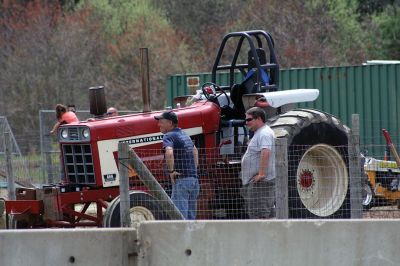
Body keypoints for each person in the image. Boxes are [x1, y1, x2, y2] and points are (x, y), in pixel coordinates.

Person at [155, 111, 199, 220]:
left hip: (181, 181)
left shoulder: (168, 135)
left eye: (161, 121)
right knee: (190, 218)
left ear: (170, 123)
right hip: (194, 180)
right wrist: (193, 170)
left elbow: (169, 152)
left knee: (179, 218)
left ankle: (180, 237)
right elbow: (195, 151)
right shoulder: (184, 134)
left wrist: (171, 171)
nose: (158, 124)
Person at [241, 107, 275, 219]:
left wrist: (261, 174)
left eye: (249, 120)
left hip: (260, 184)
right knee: (264, 217)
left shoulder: (264, 133)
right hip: (258, 183)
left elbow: (266, 152)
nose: (246, 123)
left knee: (259, 218)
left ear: (259, 119)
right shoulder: (260, 133)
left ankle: (261, 237)